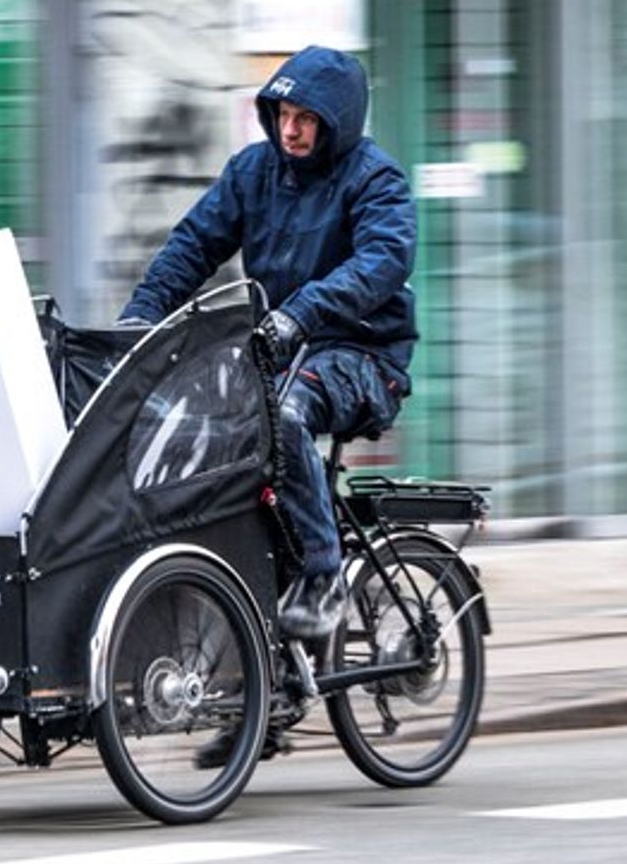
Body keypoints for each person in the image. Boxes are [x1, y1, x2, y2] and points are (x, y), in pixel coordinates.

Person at [117, 45, 417, 641]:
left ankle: (324, 574)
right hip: (281, 348)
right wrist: (137, 325)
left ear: (338, 122)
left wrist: (301, 316)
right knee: (198, 431)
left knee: (282, 414)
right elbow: (193, 246)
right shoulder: (253, 172)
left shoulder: (376, 180)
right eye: (282, 115)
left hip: (361, 356)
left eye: (307, 119)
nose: (292, 130)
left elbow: (382, 261)